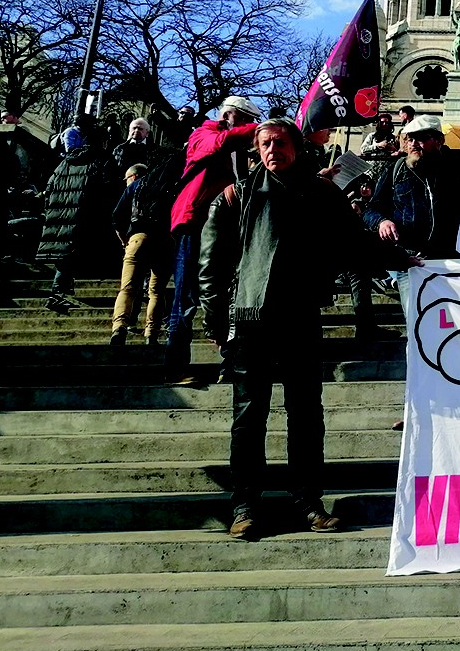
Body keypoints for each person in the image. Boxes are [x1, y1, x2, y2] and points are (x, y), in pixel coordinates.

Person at [199, 119, 416, 541]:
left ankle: (308, 501)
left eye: (279, 142)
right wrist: (213, 318)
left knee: (305, 416)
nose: (271, 149)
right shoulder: (234, 196)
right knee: (248, 418)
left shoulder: (321, 195)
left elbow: (355, 244)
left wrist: (404, 259)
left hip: (300, 318)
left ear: (296, 147)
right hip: (249, 319)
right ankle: (245, 506)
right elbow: (212, 265)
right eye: (264, 143)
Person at [164, 95, 262, 385]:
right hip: (194, 222)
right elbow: (213, 146)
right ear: (231, 116)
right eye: (246, 122)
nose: (250, 129)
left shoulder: (238, 152)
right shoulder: (205, 132)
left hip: (221, 227)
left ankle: (229, 358)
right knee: (187, 297)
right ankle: (175, 366)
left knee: (224, 295)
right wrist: (260, 129)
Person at [365, 114, 460, 275]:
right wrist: (382, 222)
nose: (413, 144)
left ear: (439, 140)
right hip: (408, 261)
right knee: (412, 301)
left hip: (451, 261)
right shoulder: (396, 170)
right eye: (410, 139)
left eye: (421, 138)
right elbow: (371, 209)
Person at [36, 123, 114, 312]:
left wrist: (50, 211)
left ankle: (60, 291)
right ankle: (58, 293)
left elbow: (50, 187)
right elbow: (107, 189)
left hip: (57, 215)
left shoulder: (66, 161)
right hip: (83, 216)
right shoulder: (101, 160)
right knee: (71, 255)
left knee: (63, 255)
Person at [110, 161, 172, 345]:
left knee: (128, 288)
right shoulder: (165, 185)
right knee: (156, 291)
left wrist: (125, 240)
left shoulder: (135, 186)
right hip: (164, 240)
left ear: (134, 176)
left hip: (138, 238)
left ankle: (119, 328)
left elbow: (116, 216)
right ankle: (151, 333)